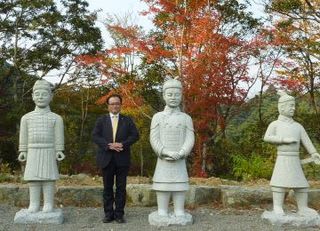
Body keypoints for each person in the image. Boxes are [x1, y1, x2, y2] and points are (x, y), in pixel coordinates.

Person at [264, 91, 320, 216]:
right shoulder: (275, 124)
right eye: (291, 105)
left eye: (294, 105)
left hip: (295, 158)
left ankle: (303, 207)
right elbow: (267, 137)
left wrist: (314, 152)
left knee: (301, 184)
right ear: (282, 107)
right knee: (279, 182)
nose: (293, 108)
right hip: (282, 157)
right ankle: (278, 206)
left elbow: (306, 141)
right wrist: (283, 140)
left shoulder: (298, 126)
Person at [149, 78, 195, 221]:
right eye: (170, 94)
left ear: (181, 96)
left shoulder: (186, 118)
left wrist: (182, 152)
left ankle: (179, 211)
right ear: (164, 95)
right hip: (164, 158)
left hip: (179, 158)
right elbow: (154, 139)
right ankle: (162, 211)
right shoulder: (157, 117)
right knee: (163, 185)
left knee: (179, 186)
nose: (173, 98)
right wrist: (165, 152)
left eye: (177, 94)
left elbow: (190, 138)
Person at [18, 79, 65, 213]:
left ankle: (48, 204)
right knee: (33, 179)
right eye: (37, 94)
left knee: (49, 178)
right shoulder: (26, 118)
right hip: (32, 150)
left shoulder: (56, 118)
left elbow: (58, 136)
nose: (40, 97)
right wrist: (23, 150)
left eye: (44, 94)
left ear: (51, 97)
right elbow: (23, 136)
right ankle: (34, 204)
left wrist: (59, 149)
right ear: (32, 96)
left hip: (49, 150)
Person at [92, 94, 139, 223]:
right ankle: (108, 214)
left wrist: (122, 144)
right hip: (106, 158)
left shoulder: (127, 120)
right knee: (107, 188)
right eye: (112, 103)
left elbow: (135, 135)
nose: (115, 106)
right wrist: (108, 145)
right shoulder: (102, 120)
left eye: (117, 103)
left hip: (122, 159)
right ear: (108, 106)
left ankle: (119, 214)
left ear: (120, 105)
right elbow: (95, 136)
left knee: (121, 188)